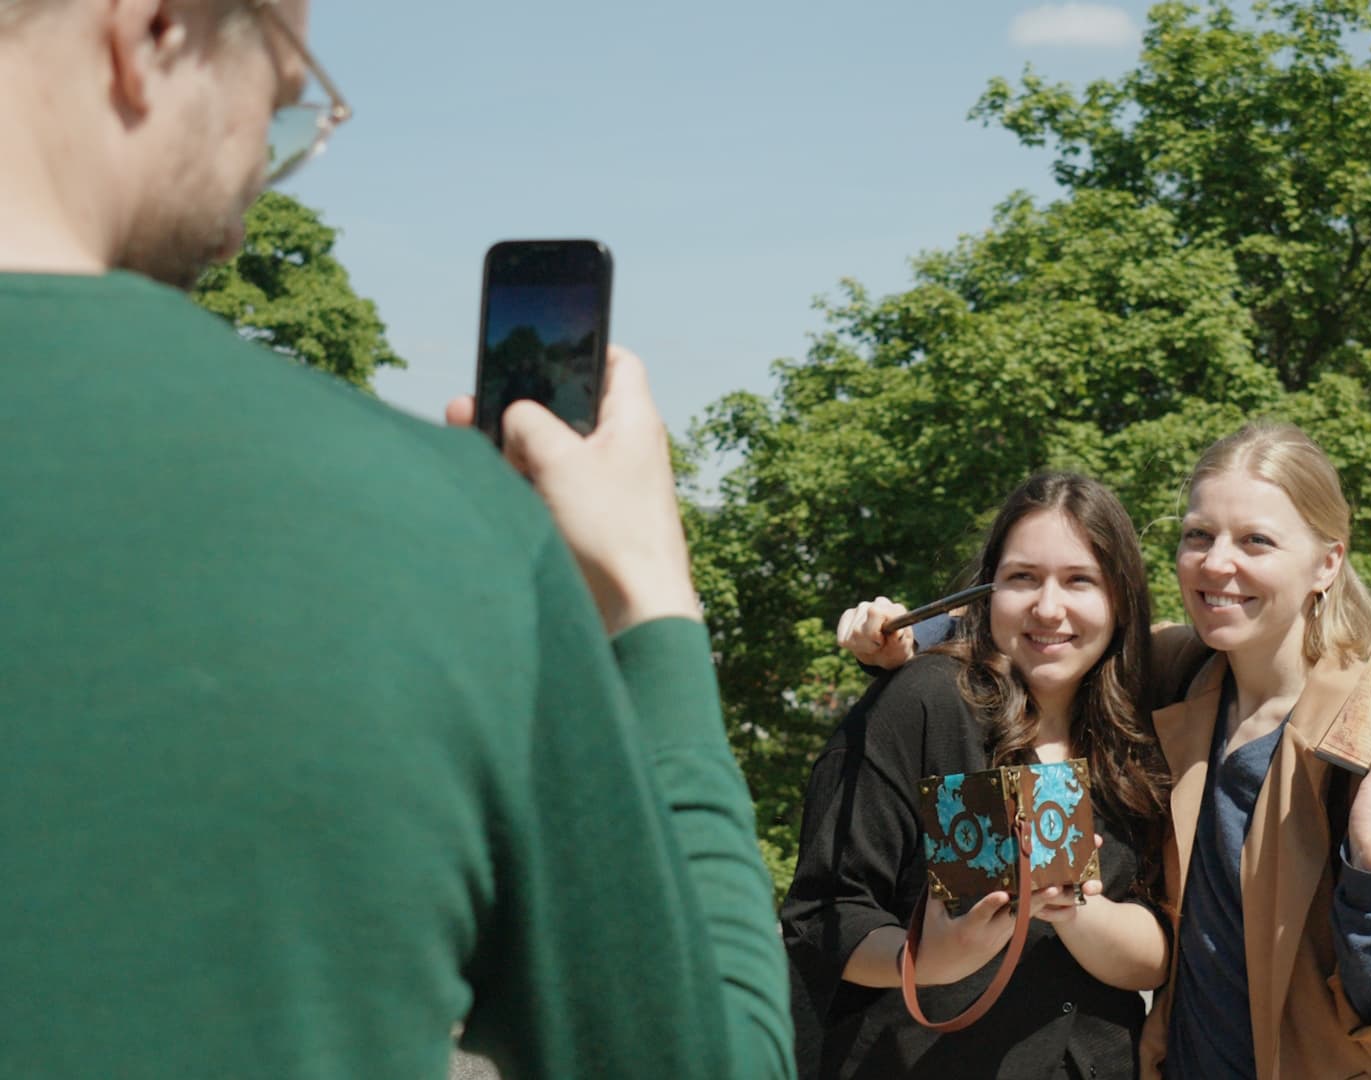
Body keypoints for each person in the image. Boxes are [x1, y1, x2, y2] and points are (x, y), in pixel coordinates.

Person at [0, 1, 790, 1077]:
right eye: (276, 113)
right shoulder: (446, 529)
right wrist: (649, 598)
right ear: (153, 35)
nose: (245, 216)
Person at [841, 422, 1371, 1079]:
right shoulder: (1177, 675)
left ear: (1328, 563)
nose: (1216, 563)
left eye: (1256, 540)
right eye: (1198, 535)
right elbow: (1059, 621)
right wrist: (915, 634)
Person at [782, 472, 1174, 1079]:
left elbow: (1161, 954)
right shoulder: (925, 701)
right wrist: (927, 958)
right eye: (1022, 578)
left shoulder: (1142, 731)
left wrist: (1075, 913)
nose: (1049, 607)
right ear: (986, 592)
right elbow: (821, 917)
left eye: (1080, 580)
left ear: (1120, 598)